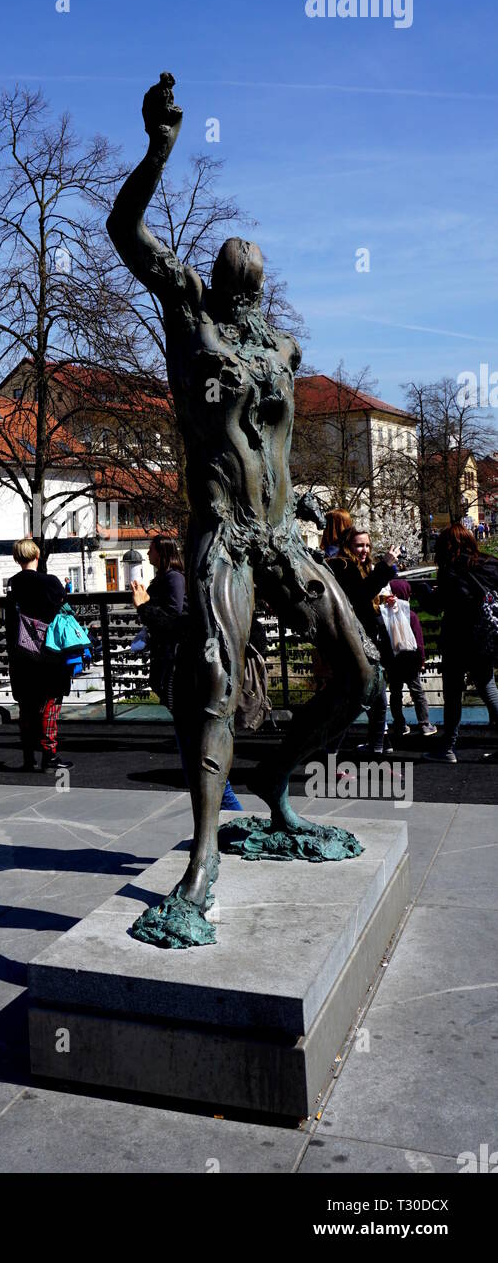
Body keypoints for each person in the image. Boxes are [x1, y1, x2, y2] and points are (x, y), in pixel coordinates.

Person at [107, 73, 382, 937]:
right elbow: (125, 231)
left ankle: (276, 782)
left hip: (281, 536)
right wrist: (158, 150)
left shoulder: (279, 344)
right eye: (242, 268)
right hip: (225, 533)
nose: (247, 264)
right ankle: (202, 860)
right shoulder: (189, 316)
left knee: (363, 671)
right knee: (220, 682)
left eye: (257, 269)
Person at [131, 534, 242, 809]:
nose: (147, 553)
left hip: (187, 680)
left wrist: (144, 607)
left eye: (150, 549)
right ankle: (217, 828)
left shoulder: (178, 580)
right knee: (198, 762)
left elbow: (174, 624)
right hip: (186, 679)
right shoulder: (187, 581)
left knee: (201, 762)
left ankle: (231, 822)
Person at [412, 523, 498, 763]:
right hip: (485, 640)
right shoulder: (490, 564)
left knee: (452, 696)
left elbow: (436, 606)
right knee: (489, 689)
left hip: (457, 642)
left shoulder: (450, 570)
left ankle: (447, 748)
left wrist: (422, 590)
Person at [326, 527, 399, 756]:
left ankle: (375, 750)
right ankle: (332, 754)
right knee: (353, 703)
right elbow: (359, 596)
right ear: (349, 546)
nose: (365, 550)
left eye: (367, 545)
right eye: (360, 545)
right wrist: (384, 567)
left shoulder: (360, 567)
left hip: (367, 642)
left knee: (377, 701)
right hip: (355, 643)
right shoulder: (344, 567)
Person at [5, 538, 71, 772]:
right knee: (50, 703)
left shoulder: (12, 587)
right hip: (48, 654)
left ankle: (28, 757)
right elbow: (63, 607)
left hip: (22, 656)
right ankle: (49, 755)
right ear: (37, 556)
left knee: (27, 706)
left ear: (16, 559)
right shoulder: (50, 583)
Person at [383, 578, 436, 741]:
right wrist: (422, 660)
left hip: (393, 661)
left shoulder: (386, 615)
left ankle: (400, 724)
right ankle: (425, 724)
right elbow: (419, 642)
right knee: (417, 692)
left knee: (396, 693)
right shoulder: (411, 616)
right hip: (410, 660)